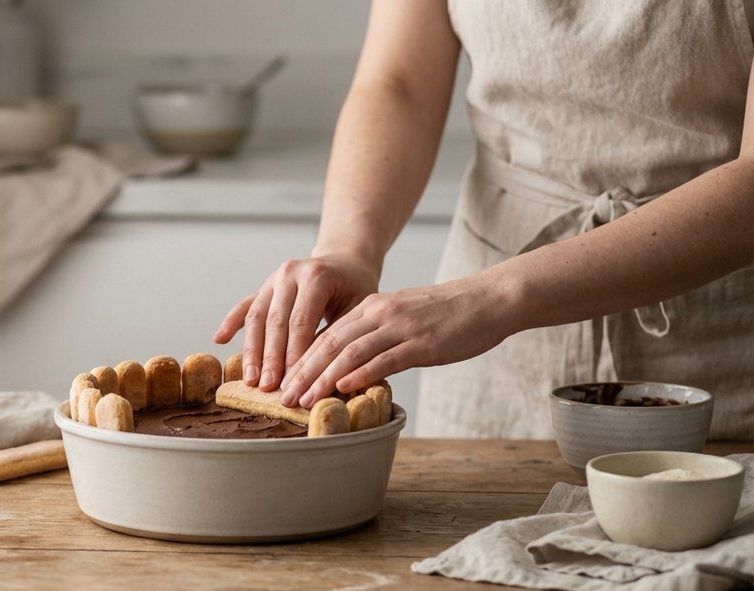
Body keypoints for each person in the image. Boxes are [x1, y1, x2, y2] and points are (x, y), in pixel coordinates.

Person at [214, 0, 754, 439]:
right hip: (488, 361)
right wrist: (347, 247)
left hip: (719, 346)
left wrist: (496, 297)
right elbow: (399, 82)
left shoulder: (490, 299)